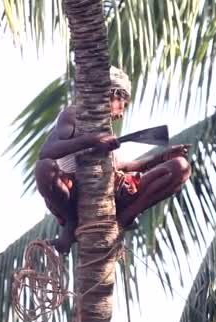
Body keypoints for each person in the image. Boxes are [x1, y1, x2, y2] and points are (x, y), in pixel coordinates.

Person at [34, 66, 191, 254]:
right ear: (114, 94)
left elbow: (125, 167)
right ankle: (71, 224)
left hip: (109, 198)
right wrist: (92, 140)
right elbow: (47, 152)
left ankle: (123, 220)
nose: (121, 113)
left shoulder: (108, 134)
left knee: (181, 167)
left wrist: (164, 156)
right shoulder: (73, 115)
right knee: (44, 168)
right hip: (71, 197)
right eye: (123, 103)